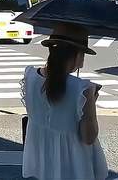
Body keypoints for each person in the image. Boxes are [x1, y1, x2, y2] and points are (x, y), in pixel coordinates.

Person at [21, 23, 108, 180]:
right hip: (74, 167)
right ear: (77, 55)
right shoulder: (83, 89)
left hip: (42, 162)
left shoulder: (30, 76)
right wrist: (90, 103)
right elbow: (89, 137)